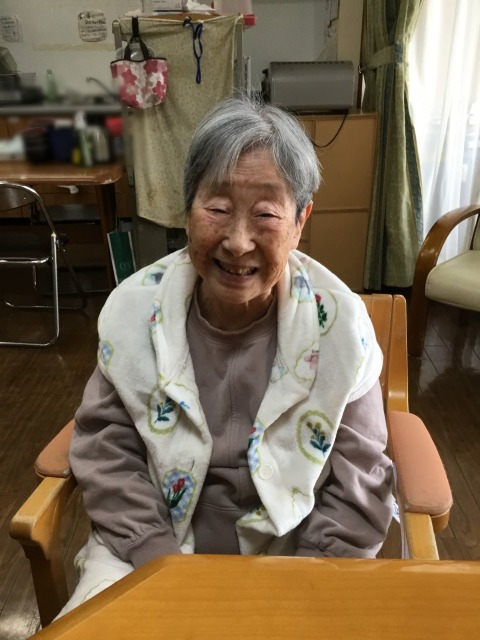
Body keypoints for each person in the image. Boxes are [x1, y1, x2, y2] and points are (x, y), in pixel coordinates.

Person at [61, 96, 393, 615]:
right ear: (187, 209)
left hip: (296, 549)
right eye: (217, 209)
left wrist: (307, 583)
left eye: (266, 214)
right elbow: (108, 454)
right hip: (148, 543)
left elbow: (360, 481)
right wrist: (160, 560)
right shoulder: (134, 311)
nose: (238, 242)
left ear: (300, 220)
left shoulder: (342, 327)